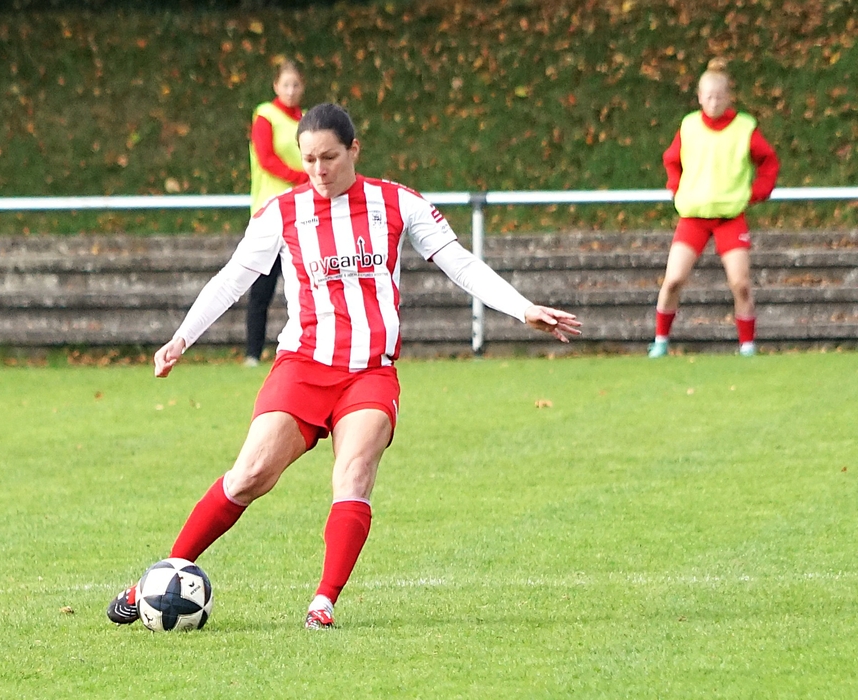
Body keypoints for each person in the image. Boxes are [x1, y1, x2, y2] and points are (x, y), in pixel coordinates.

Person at [107, 103, 582, 630]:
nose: (318, 170)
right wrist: (182, 337)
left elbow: (459, 261)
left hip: (369, 374)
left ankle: (323, 602)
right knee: (249, 475)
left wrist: (522, 308)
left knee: (354, 474)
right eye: (308, 159)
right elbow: (232, 279)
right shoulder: (282, 213)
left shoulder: (397, 203)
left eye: (329, 157)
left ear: (354, 150)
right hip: (303, 366)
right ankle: (156, 582)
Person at [649, 57, 779, 358]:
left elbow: (768, 161)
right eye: (708, 97)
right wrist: (675, 186)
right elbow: (672, 160)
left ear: (728, 97)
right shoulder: (689, 126)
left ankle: (747, 347)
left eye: (719, 97)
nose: (714, 102)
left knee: (740, 284)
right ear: (699, 97)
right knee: (673, 280)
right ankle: (660, 342)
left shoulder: (744, 127)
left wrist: (758, 191)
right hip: (693, 217)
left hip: (729, 217)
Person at [244, 60, 308, 367]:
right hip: (271, 210)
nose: (291, 91)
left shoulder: (307, 120)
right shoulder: (265, 115)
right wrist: (302, 178)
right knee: (262, 287)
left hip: (302, 211)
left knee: (306, 285)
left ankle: (306, 350)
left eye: (296, 85)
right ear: (275, 86)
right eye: (286, 85)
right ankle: (253, 353)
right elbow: (266, 158)